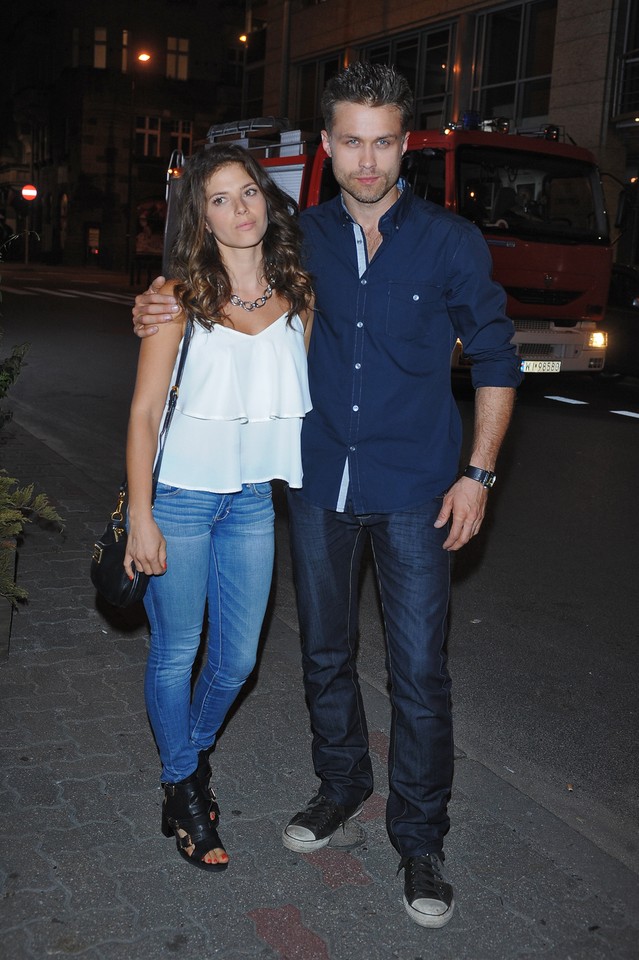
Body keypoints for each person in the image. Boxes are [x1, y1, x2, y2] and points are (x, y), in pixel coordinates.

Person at [131, 62, 521, 924]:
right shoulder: (296, 239)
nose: (367, 160)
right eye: (351, 141)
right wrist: (152, 302)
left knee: (419, 672)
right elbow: (213, 271)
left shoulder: (450, 241)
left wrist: (479, 474)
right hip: (314, 485)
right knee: (323, 656)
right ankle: (340, 788)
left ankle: (418, 839)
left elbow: (497, 358)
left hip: (418, 489)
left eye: (383, 142)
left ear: (406, 144)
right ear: (327, 146)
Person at [125, 143, 313, 872]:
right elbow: (145, 413)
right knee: (177, 652)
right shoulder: (177, 297)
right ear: (201, 219)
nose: (240, 210)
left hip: (253, 502)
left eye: (249, 192)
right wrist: (141, 516)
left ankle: (186, 760)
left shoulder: (297, 295)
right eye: (220, 199)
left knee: (236, 660)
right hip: (179, 498)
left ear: (267, 198)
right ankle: (185, 791)